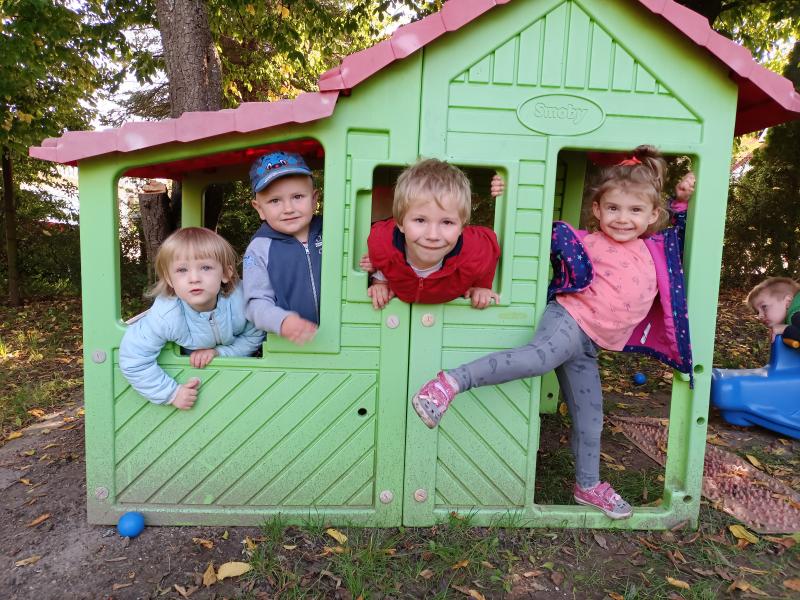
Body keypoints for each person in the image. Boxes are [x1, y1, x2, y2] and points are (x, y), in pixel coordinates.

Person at [410, 145, 694, 520]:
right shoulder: (587, 241)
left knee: (591, 415)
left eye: (635, 210)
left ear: (652, 214)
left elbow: (683, 239)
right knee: (538, 356)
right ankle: (449, 383)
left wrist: (682, 202)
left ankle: (588, 485)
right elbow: (534, 228)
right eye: (613, 208)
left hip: (589, 343)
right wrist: (509, 195)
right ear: (597, 210)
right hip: (569, 319)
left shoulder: (654, 249)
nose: (622, 219)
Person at [120, 228, 264, 409]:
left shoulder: (241, 301)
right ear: (170, 280)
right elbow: (133, 358)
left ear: (226, 274)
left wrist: (219, 353)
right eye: (181, 270)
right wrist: (170, 393)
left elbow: (254, 336)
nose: (194, 278)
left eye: (205, 267)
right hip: (194, 378)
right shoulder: (167, 315)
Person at [363, 158, 502, 310]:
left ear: (463, 227)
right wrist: (380, 283)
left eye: (447, 222)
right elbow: (382, 260)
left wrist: (482, 286)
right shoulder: (382, 242)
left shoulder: (475, 251)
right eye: (420, 220)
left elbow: (491, 246)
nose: (433, 235)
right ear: (400, 223)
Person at [243, 151, 322, 345]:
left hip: (342, 339)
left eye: (297, 196)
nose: (288, 208)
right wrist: (282, 321)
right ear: (259, 209)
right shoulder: (259, 248)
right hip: (287, 346)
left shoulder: (334, 231)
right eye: (275, 201)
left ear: (313, 200)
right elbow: (255, 304)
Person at [745, 277, 800, 347]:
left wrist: (785, 329)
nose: (760, 316)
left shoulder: (796, 314)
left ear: (787, 302)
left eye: (764, 307)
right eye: (757, 312)